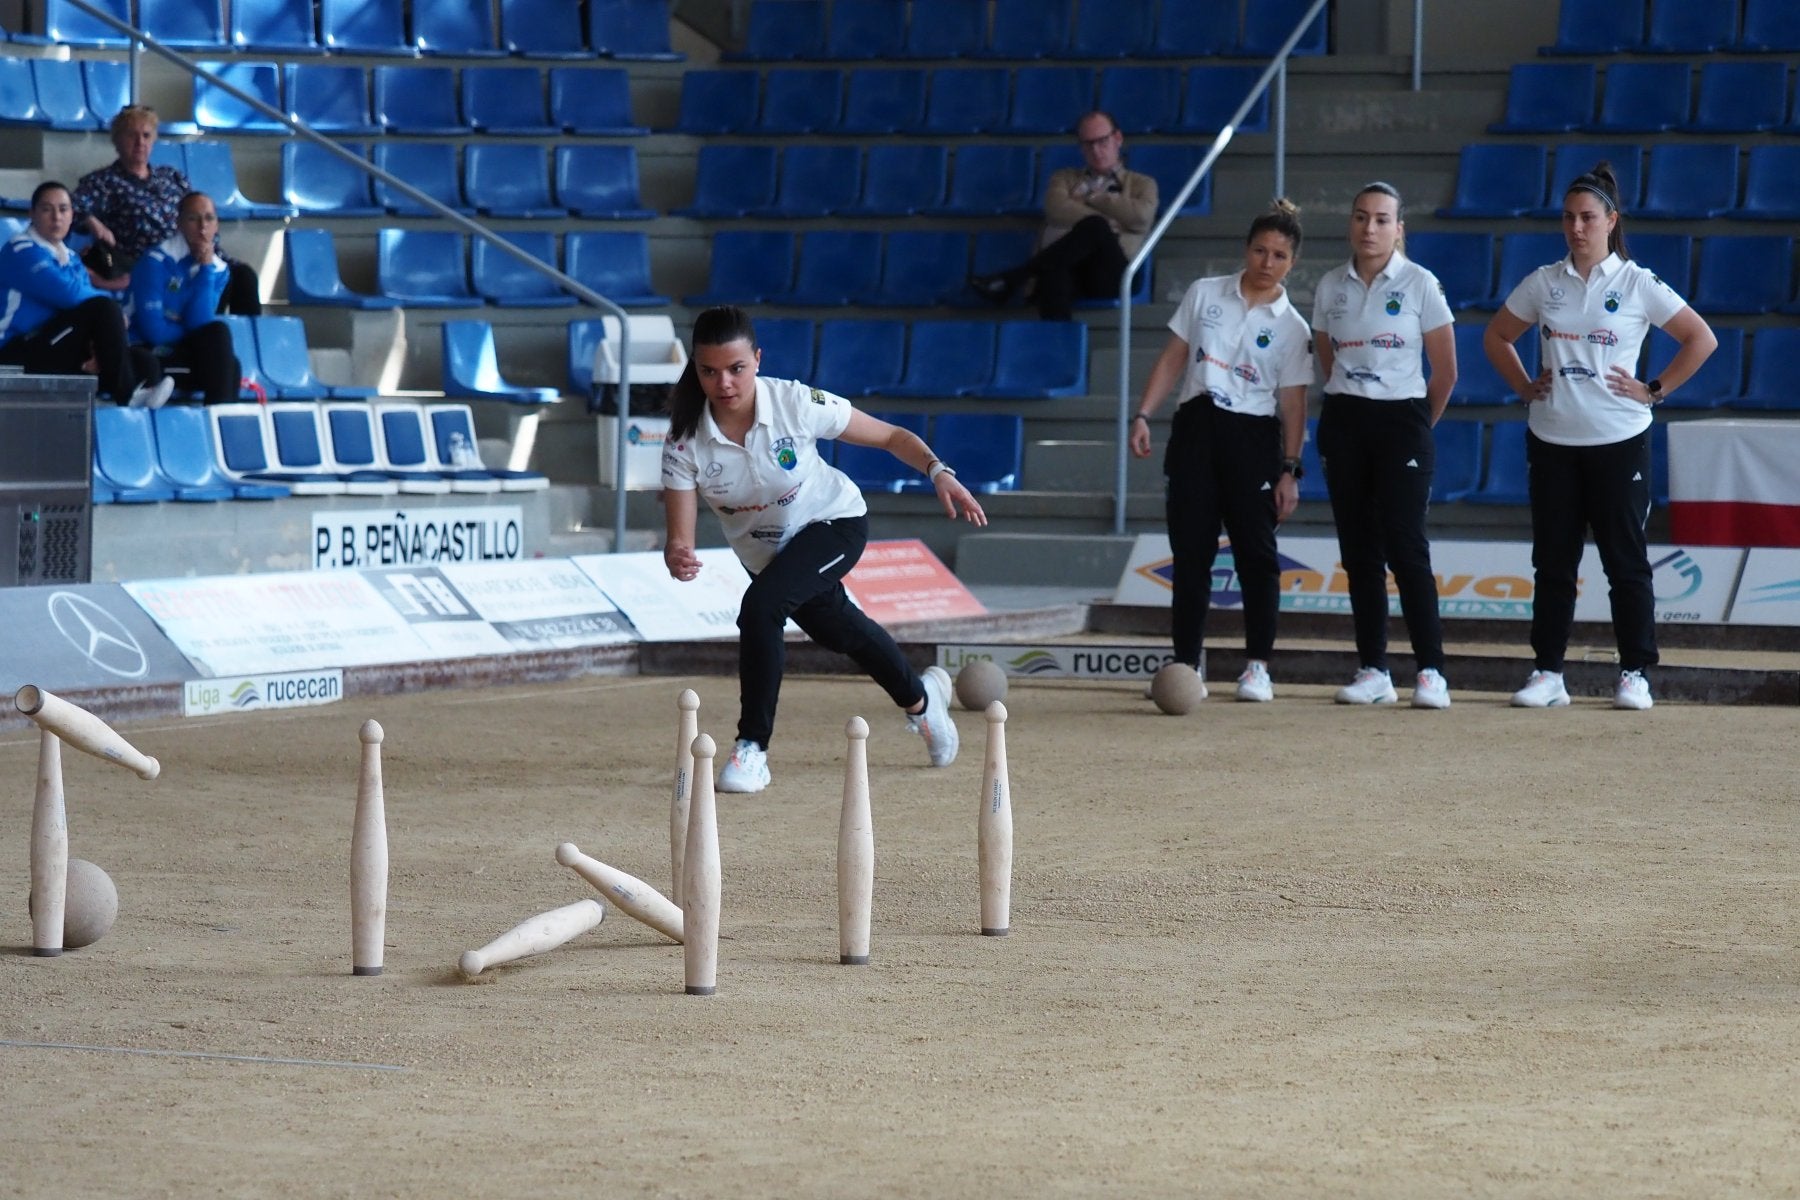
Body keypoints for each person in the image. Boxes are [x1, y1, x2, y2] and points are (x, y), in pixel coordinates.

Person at [660, 305, 989, 794]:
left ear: (757, 359)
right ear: (696, 369)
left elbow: (893, 437)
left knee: (761, 609)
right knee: (842, 633)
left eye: (736, 369)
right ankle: (923, 700)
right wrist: (678, 554)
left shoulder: (795, 401)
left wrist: (939, 471)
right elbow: (679, 537)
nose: (724, 383)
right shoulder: (684, 441)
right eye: (709, 371)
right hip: (766, 556)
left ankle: (752, 749)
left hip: (833, 522)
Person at [1484, 162, 1717, 711]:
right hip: (1552, 442)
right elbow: (1497, 335)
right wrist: (1523, 384)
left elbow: (1699, 339)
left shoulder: (1637, 282)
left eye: (1587, 217)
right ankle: (1548, 672)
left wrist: (1653, 388)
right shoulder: (1544, 282)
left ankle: (1635, 671)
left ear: (1611, 221)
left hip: (1619, 442)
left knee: (1625, 561)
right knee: (1554, 562)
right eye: (1568, 218)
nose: (1576, 227)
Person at [1129, 200, 1313, 703]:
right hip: (1196, 427)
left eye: (1278, 255)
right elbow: (1173, 359)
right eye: (1259, 250)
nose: (1266, 262)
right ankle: (1185, 665)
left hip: (1252, 437)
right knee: (1192, 552)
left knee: (1256, 553)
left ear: (1291, 263)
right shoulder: (1204, 293)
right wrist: (1144, 413)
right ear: (1246, 249)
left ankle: (1257, 666)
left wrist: (1290, 469)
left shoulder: (1292, 327)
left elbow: (1293, 404)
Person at [1311, 182, 1459, 709]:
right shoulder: (1330, 286)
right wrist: (1356, 408)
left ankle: (1431, 672)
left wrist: (1416, 425)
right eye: (1360, 217)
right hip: (1346, 421)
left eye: (1381, 219)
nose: (1369, 228)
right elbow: (1328, 362)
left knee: (1406, 546)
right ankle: (1373, 669)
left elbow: (1445, 371)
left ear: (1399, 229)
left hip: (1404, 423)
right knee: (1359, 552)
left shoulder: (1421, 284)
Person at [72, 105, 262, 315]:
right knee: (203, 281)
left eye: (146, 135)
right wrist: (93, 222)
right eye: (131, 135)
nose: (140, 142)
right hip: (154, 266)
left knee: (242, 276)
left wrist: (207, 246)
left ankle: (245, 342)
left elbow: (198, 212)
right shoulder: (103, 182)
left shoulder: (172, 177)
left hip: (196, 253)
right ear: (116, 140)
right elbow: (70, 206)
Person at [968, 111, 1157, 321]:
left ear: (1118, 139)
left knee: (1095, 226)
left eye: (1102, 141)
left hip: (1112, 273)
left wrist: (1094, 197)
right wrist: (1109, 221)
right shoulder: (1064, 178)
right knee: (1054, 272)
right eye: (1088, 144)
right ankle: (1059, 348)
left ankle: (1014, 278)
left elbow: (1141, 218)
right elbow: (1056, 209)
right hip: (1073, 268)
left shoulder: (1142, 183)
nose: (1096, 150)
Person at [0, 181, 172, 408]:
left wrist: (95, 344)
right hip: (17, 349)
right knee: (104, 308)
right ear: (32, 213)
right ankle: (126, 395)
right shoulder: (20, 250)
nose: (56, 217)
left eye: (63, 209)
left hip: (58, 340)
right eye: (46, 209)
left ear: (72, 215)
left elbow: (84, 306)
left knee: (145, 362)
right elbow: (69, 294)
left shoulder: (71, 257)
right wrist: (111, 315)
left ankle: (123, 422)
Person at [125, 191, 241, 404]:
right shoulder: (156, 261)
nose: (202, 226)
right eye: (193, 218)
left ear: (217, 225)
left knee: (229, 359)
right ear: (179, 223)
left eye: (209, 218)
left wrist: (205, 269)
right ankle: (218, 417)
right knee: (224, 362)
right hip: (145, 352)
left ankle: (216, 421)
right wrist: (187, 326)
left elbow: (200, 322)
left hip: (180, 351)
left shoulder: (219, 269)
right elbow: (155, 333)